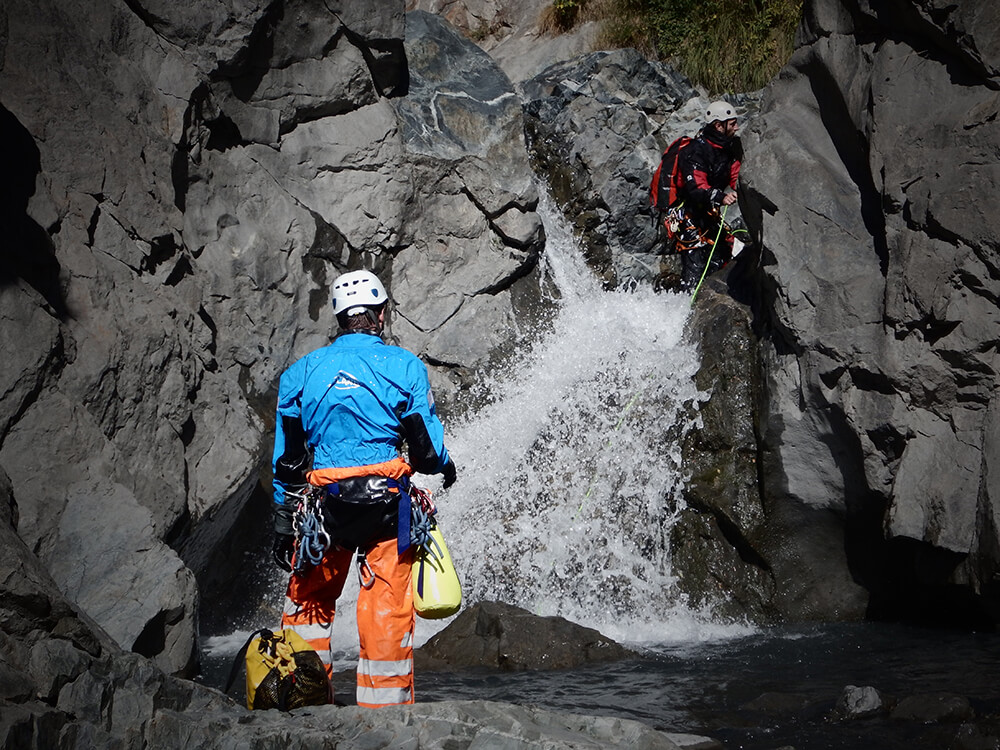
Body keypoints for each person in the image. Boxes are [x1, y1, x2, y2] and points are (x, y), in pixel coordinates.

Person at [270, 268, 457, 708]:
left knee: (308, 602)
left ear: (339, 318)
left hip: (324, 510)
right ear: (381, 314)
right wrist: (447, 468)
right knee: (386, 608)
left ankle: (303, 703)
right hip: (387, 508)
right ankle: (385, 714)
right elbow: (427, 455)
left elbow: (289, 461)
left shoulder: (299, 374)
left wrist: (283, 520)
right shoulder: (404, 366)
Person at [673, 100, 743, 291]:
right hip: (688, 216)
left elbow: (736, 176)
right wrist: (721, 197)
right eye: (732, 123)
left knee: (720, 260)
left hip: (709, 215)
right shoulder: (695, 151)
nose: (737, 128)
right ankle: (685, 308)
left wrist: (745, 191)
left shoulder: (727, 150)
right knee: (694, 271)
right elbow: (696, 187)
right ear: (719, 126)